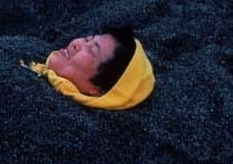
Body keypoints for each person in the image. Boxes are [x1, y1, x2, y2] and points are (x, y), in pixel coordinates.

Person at [27, 26, 155, 110]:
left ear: (97, 90)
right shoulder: (30, 49)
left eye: (92, 51)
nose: (77, 43)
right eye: (87, 39)